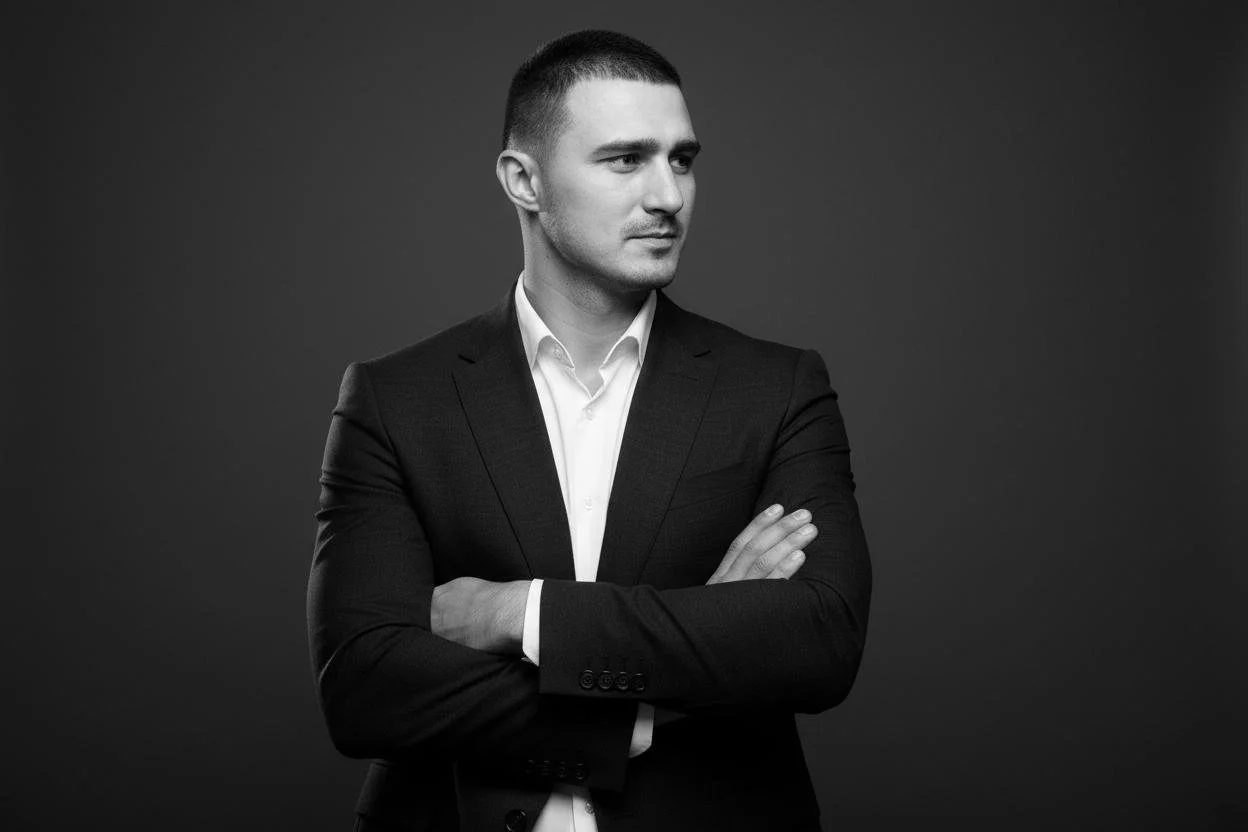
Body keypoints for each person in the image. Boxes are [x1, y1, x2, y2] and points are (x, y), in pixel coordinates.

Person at [308, 29, 871, 832]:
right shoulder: (397, 399)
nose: (669, 196)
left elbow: (819, 641)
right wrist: (688, 658)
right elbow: (365, 689)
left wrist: (523, 614)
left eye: (682, 160)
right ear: (524, 180)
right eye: (626, 159)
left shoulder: (777, 389)